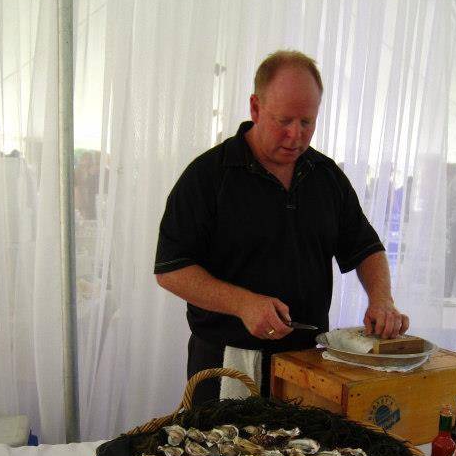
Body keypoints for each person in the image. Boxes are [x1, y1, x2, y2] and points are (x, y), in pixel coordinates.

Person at [154, 50, 410, 405]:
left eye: (307, 122)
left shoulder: (326, 176)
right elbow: (171, 269)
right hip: (229, 360)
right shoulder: (208, 176)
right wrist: (243, 303)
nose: (296, 136)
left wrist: (382, 300)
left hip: (308, 358)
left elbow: (365, 247)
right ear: (256, 108)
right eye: (284, 120)